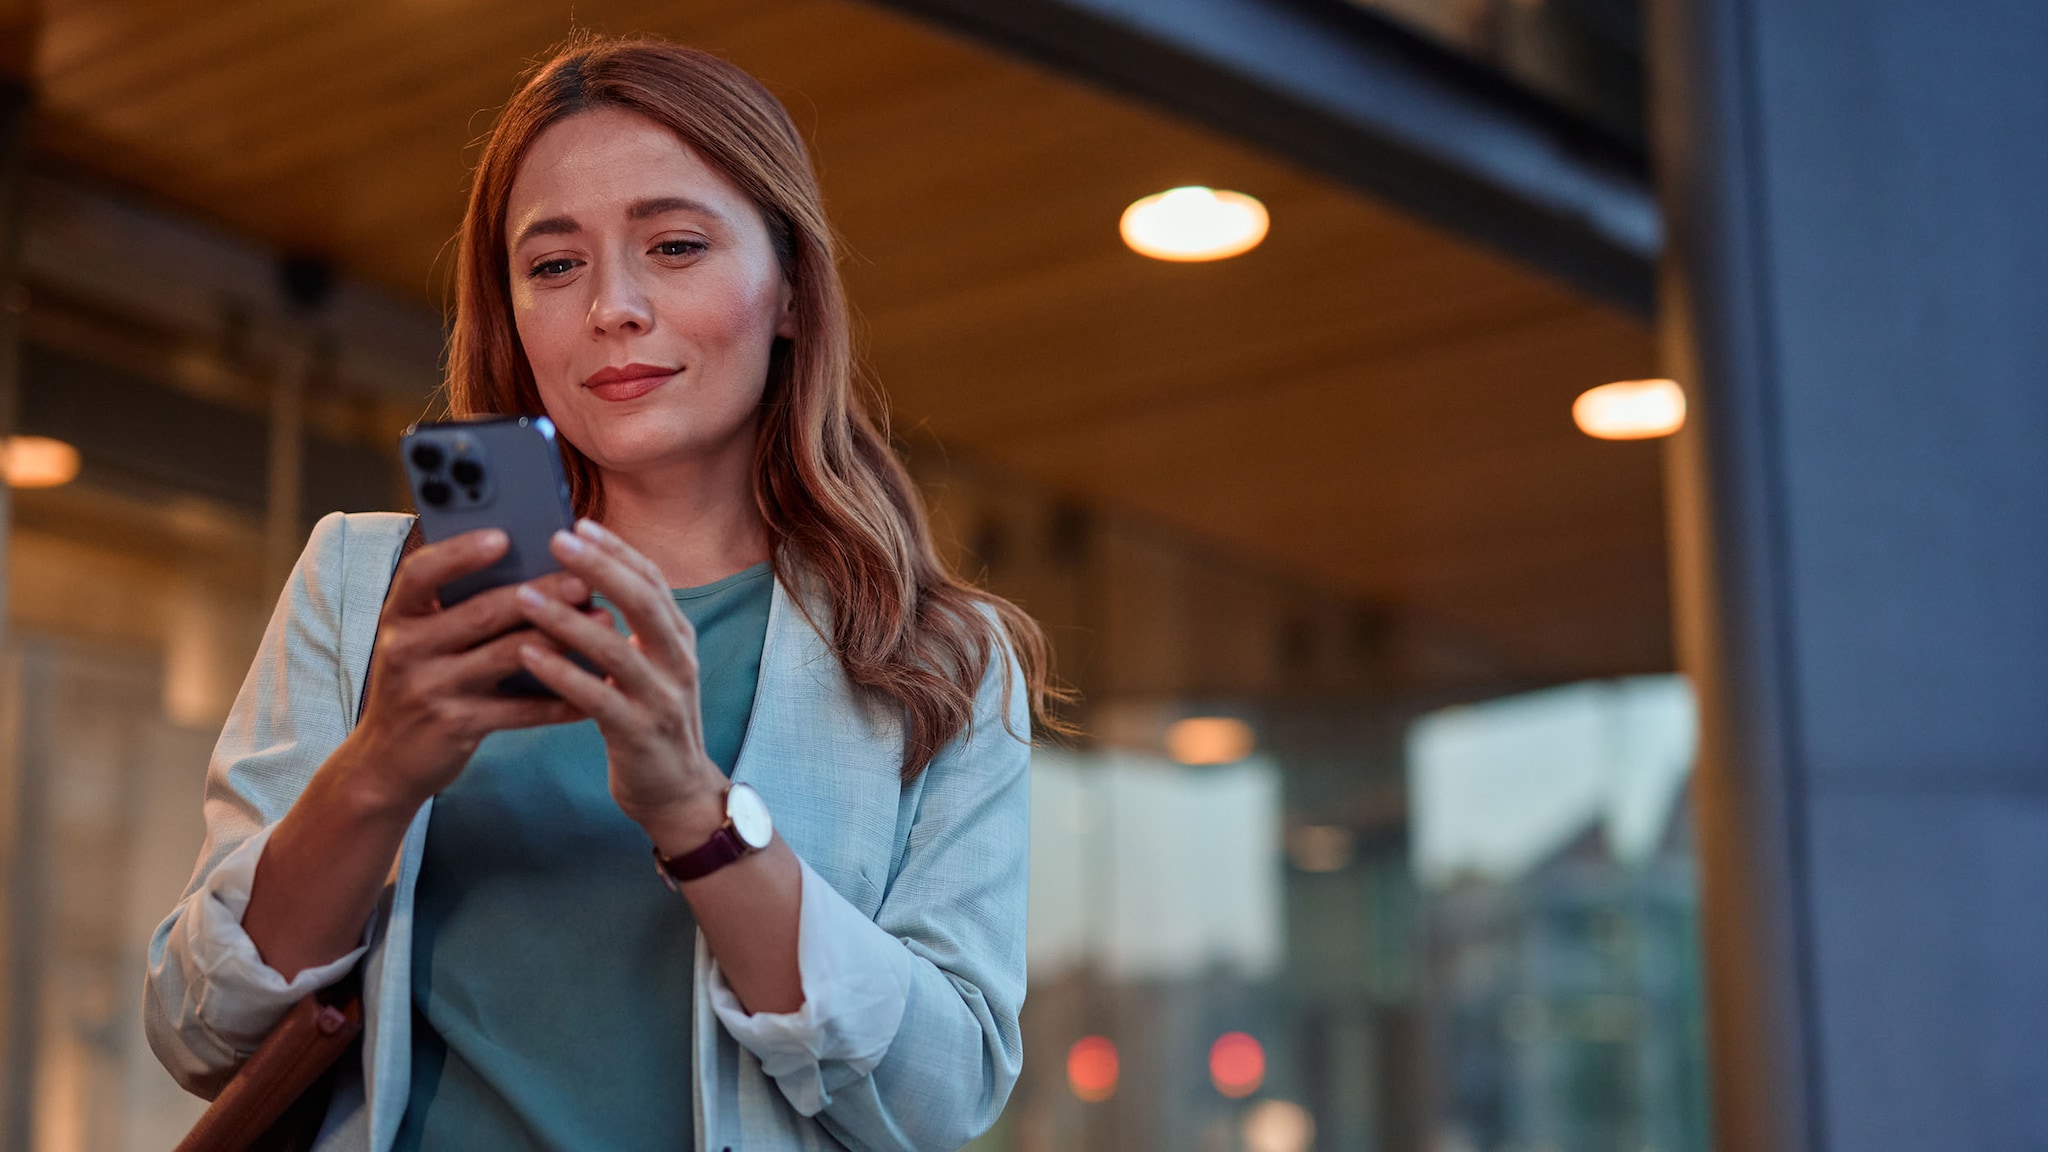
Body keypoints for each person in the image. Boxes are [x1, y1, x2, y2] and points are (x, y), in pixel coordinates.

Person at [143, 33, 1060, 1152]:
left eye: (673, 245)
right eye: (553, 265)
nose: (611, 308)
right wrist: (378, 769)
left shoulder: (937, 657)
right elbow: (197, 1030)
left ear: (789, 293)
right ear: (512, 314)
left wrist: (695, 811)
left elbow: (940, 1097)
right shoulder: (368, 586)